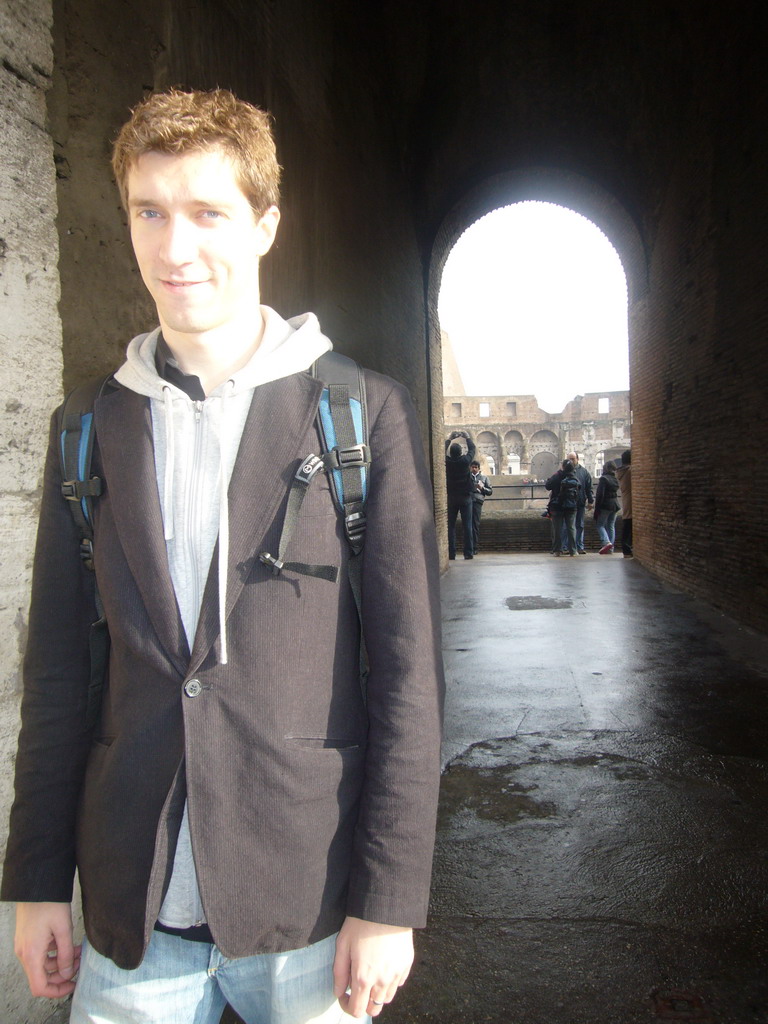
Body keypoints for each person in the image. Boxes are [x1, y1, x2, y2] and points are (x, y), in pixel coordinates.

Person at [1, 88, 445, 1024]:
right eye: (149, 212)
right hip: (135, 912)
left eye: (208, 213)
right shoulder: (87, 425)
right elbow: (59, 675)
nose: (174, 248)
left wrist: (389, 900)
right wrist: (37, 880)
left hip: (312, 910)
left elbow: (408, 681)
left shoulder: (360, 416)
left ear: (266, 225)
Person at [445, 430, 476, 559]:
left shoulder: (447, 462)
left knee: (450, 527)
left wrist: (449, 439)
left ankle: (451, 554)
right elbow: (472, 450)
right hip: (465, 497)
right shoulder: (465, 461)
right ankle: (468, 553)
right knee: (467, 526)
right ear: (461, 452)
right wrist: (467, 438)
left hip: (451, 497)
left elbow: (439, 452)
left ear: (450, 453)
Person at [546, 459, 579, 556]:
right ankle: (573, 550)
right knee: (571, 528)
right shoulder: (575, 477)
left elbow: (547, 486)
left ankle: (557, 551)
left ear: (563, 466)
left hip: (557, 506)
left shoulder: (557, 475)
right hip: (571, 506)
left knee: (557, 529)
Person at [564, 451, 593, 554]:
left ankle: (579, 546)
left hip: (580, 501)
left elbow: (588, 487)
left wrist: (590, 501)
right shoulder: (564, 472)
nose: (571, 461)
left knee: (579, 525)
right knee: (567, 525)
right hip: (567, 503)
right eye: (569, 459)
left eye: (573, 459)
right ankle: (567, 547)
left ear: (577, 459)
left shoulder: (584, 472)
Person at [593, 460, 620, 554]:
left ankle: (606, 542)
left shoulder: (603, 479)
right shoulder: (615, 479)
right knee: (611, 525)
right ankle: (611, 548)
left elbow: (600, 495)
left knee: (600, 525)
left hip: (606, 505)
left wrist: (597, 509)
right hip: (615, 505)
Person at [469, 460, 493, 553]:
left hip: (477, 501)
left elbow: (490, 491)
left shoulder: (484, 478)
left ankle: (475, 547)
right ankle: (469, 547)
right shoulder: (467, 477)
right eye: (472, 467)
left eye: (476, 467)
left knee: (475, 524)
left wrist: (482, 488)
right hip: (468, 501)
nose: (474, 469)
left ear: (479, 468)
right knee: (467, 525)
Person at [616, 449, 633, 558]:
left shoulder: (622, 471)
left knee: (627, 525)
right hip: (631, 502)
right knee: (628, 526)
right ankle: (627, 549)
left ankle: (626, 549)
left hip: (627, 502)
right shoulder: (630, 471)